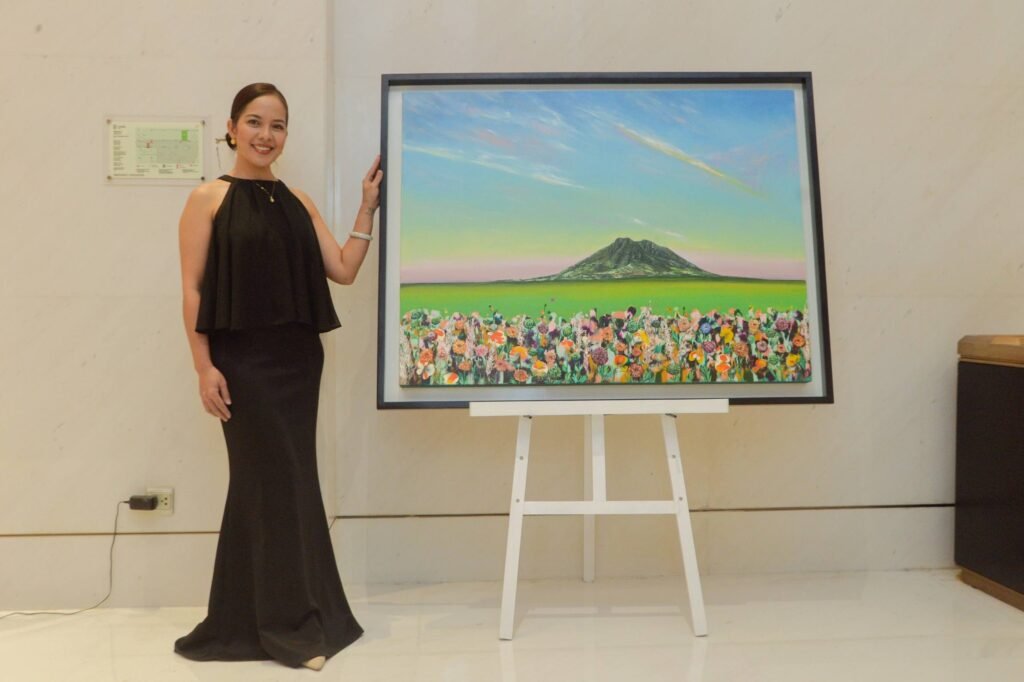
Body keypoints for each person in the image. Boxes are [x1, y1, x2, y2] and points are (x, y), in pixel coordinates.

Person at [173, 82, 382, 671]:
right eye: (255, 122)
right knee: (271, 483)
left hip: (297, 361)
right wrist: (203, 365)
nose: (266, 135)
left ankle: (253, 619)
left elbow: (343, 269)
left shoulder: (299, 201)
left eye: (278, 125)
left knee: (280, 483)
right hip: (241, 363)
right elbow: (191, 290)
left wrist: (366, 208)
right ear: (232, 128)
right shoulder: (207, 198)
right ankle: (288, 628)